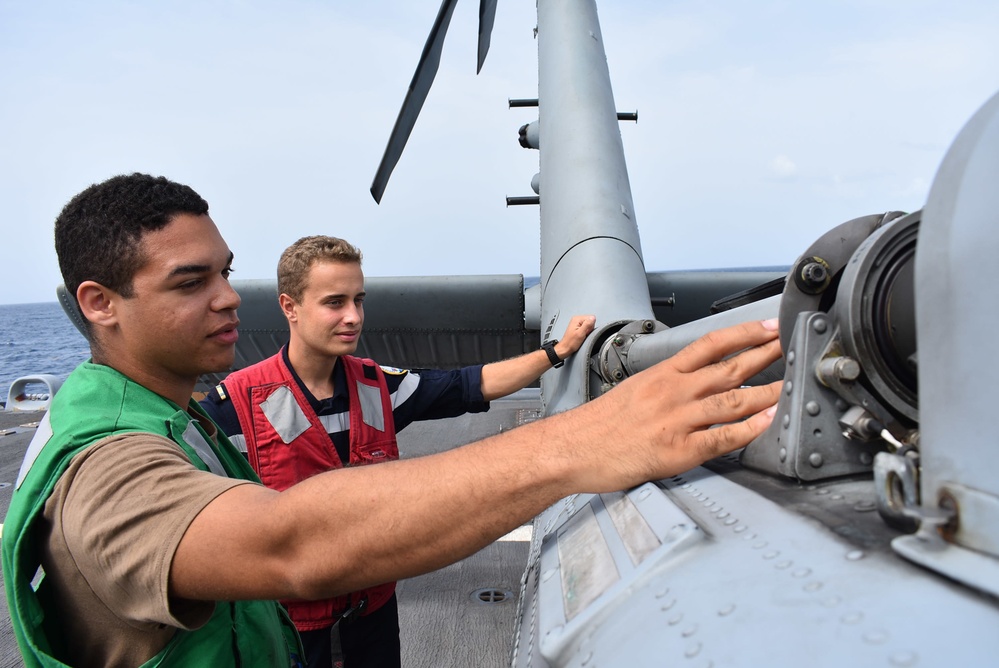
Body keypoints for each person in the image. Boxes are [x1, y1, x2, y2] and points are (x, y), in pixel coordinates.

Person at [1, 173, 782, 668]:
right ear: (99, 303)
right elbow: (292, 543)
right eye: (189, 281)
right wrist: (589, 440)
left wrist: (555, 356)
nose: (226, 297)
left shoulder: (186, 413)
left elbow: (464, 386)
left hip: (361, 617)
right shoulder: (108, 462)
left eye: (225, 272)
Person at [198, 234, 596, 668]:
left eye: (359, 300)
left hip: (372, 623)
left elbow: (470, 384)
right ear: (290, 307)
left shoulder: (378, 386)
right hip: (290, 633)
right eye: (335, 302)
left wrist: (554, 353)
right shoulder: (232, 408)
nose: (353, 317)